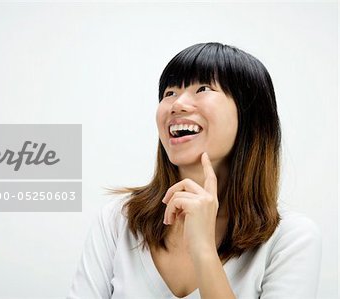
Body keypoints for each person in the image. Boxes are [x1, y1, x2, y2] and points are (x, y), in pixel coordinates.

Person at [67, 42, 322, 299]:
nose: (177, 104)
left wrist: (203, 250)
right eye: (169, 92)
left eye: (203, 88)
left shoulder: (291, 239)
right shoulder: (119, 219)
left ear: (250, 116)